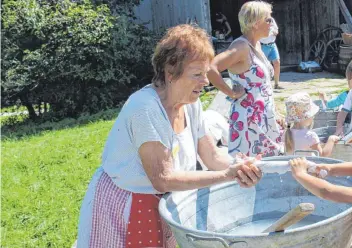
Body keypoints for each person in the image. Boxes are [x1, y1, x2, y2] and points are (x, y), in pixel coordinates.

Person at [76, 24, 262, 248]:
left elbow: (212, 156)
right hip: (127, 204)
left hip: (163, 202)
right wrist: (227, 175)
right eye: (197, 74)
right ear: (171, 71)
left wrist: (240, 165)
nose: (205, 82)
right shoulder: (144, 108)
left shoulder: (191, 105)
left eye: (206, 73)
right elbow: (162, 179)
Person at [208, 1, 285, 158]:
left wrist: (275, 112)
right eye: (268, 19)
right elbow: (211, 68)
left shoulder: (255, 45)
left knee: (268, 166)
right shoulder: (241, 47)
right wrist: (231, 92)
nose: (272, 23)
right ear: (256, 23)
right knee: (251, 169)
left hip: (263, 118)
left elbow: (264, 86)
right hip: (249, 120)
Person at [284, 92, 340, 157]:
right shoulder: (310, 136)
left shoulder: (286, 133)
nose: (313, 116)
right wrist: (331, 139)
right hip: (305, 166)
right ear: (307, 116)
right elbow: (322, 156)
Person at [260, 17, 282, 89]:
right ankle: (265, 85)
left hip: (272, 44)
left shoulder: (271, 19)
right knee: (263, 66)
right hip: (262, 45)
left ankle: (276, 84)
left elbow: (276, 30)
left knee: (277, 63)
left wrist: (275, 32)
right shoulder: (259, 19)